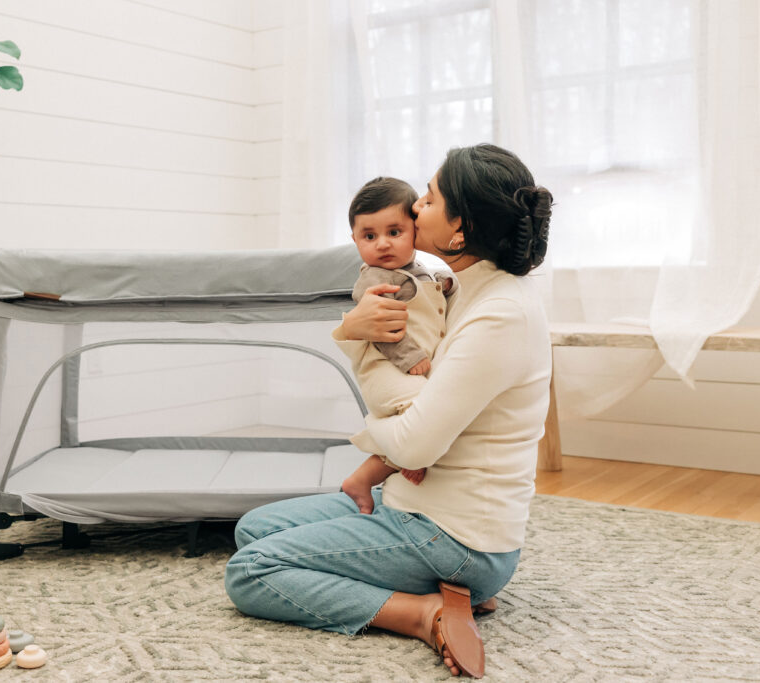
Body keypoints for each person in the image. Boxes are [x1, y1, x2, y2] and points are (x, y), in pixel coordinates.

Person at [225, 143, 553, 678]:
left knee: (252, 571)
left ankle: (424, 610)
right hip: (412, 501)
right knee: (254, 529)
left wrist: (371, 428)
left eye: (428, 198)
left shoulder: (501, 314)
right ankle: (448, 591)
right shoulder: (458, 289)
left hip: (457, 536)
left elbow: (418, 441)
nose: (415, 208)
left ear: (460, 230)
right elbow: (406, 391)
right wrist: (352, 331)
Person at [338, 176, 456, 514]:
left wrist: (442, 287)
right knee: (425, 411)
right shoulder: (375, 280)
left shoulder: (416, 270)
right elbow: (381, 329)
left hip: (405, 370)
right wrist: (409, 358)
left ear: (414, 230)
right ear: (355, 239)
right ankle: (407, 457)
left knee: (428, 412)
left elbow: (423, 296)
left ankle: (361, 480)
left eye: (394, 232)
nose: (383, 245)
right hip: (386, 369)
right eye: (369, 236)